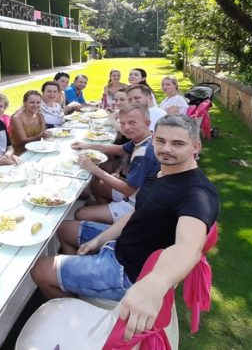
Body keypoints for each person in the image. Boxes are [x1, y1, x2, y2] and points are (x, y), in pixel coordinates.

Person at [30, 115, 219, 306]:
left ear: (195, 147)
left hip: (127, 271)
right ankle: (77, 281)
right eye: (161, 141)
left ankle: (74, 307)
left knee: (40, 269)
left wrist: (156, 284)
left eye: (177, 143)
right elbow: (135, 214)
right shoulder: (162, 172)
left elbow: (188, 249)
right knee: (62, 228)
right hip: (120, 244)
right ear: (153, 139)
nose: (166, 149)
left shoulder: (197, 194)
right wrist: (100, 239)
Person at [70, 105, 159, 224]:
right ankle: (108, 220)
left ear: (147, 123)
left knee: (80, 213)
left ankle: (117, 226)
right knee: (97, 184)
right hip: (138, 191)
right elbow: (120, 149)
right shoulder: (145, 137)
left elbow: (129, 191)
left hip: (138, 203)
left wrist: (94, 169)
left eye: (132, 122)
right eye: (122, 123)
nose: (126, 127)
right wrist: (87, 145)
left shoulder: (144, 153)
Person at [10, 90, 51, 155]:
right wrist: (40, 136)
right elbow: (23, 141)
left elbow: (44, 135)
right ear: (24, 103)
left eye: (38, 102)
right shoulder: (17, 118)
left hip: (38, 150)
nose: (35, 105)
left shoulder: (40, 116)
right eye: (32, 102)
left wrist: (47, 135)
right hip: (21, 153)